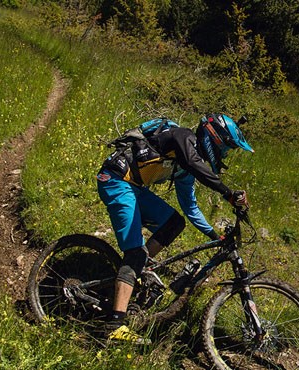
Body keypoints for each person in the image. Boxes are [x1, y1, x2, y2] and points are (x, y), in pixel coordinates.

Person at [96, 113, 253, 343]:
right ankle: (115, 324)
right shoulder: (183, 137)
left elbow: (191, 208)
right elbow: (194, 163)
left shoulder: (184, 171)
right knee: (134, 254)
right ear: (215, 140)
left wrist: (215, 235)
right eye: (226, 148)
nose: (225, 155)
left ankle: (139, 269)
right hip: (115, 180)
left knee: (175, 222)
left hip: (134, 188)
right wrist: (228, 193)